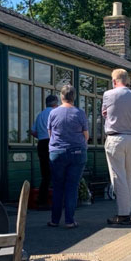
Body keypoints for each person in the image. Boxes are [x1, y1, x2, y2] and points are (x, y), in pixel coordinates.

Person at [46, 85, 88, 228]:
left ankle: (54, 220)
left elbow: (50, 134)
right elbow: (86, 135)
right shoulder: (80, 113)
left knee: (57, 187)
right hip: (77, 152)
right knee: (72, 187)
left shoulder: (53, 113)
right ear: (74, 97)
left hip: (57, 152)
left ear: (61, 96)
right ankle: (69, 220)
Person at [102, 69, 131, 225]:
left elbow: (105, 112)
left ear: (114, 81)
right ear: (127, 80)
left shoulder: (108, 94)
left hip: (115, 137)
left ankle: (123, 214)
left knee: (118, 177)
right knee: (128, 176)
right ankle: (126, 211)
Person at [30, 94, 59, 209]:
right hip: (52, 143)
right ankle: (56, 199)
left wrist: (41, 135)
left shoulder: (40, 115)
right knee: (56, 171)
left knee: (45, 174)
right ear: (55, 103)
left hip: (41, 143)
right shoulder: (54, 113)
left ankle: (42, 200)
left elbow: (32, 132)